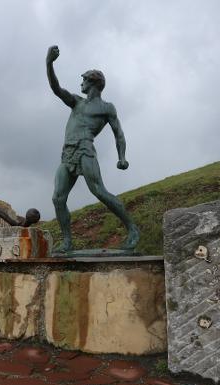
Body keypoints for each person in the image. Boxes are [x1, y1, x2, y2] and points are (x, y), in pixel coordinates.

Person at [46, 45, 140, 253]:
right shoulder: (76, 102)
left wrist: (122, 157)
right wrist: (49, 63)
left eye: (83, 80)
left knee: (99, 192)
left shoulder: (107, 107)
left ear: (92, 82)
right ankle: (68, 242)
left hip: (85, 150)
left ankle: (132, 228)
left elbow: (119, 134)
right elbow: (56, 89)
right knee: (57, 198)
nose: (80, 83)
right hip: (67, 153)